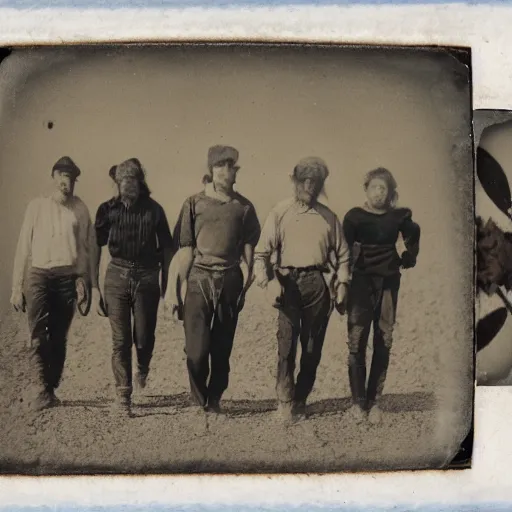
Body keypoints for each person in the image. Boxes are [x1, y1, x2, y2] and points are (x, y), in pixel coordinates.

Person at [254, 156, 350, 423]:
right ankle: (284, 400)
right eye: (304, 180)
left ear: (320, 185)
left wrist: (342, 284)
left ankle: (301, 399)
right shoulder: (280, 212)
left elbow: (343, 255)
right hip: (287, 283)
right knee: (286, 345)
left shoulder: (329, 217)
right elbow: (261, 254)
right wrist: (268, 281)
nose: (309, 186)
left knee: (312, 348)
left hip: (317, 284)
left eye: (314, 182)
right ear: (295, 182)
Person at [171, 145, 261, 414]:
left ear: (236, 172)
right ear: (210, 171)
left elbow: (249, 251)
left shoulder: (244, 207)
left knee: (222, 349)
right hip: (199, 278)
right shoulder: (192, 203)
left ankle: (215, 399)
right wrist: (174, 291)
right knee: (196, 352)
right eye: (219, 166)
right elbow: (184, 250)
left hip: (230, 280)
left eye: (230, 166)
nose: (225, 171)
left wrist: (245, 285)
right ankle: (198, 398)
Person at [10, 156, 96, 412]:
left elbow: (87, 249)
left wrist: (85, 282)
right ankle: (40, 388)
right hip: (38, 275)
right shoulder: (36, 206)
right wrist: (16, 287)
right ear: (53, 177)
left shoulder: (80, 208)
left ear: (74, 181)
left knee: (59, 336)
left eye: (70, 177)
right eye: (60, 175)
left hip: (66, 277)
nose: (65, 181)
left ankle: (50, 387)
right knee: (38, 334)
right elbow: (23, 246)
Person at [93, 158, 174, 416]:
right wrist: (94, 286)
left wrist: (167, 284)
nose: (129, 185)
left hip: (148, 278)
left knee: (143, 338)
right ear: (117, 183)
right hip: (116, 276)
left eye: (133, 180)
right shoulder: (106, 210)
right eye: (123, 181)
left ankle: (143, 369)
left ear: (141, 182)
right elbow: (96, 245)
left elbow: (168, 249)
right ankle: (123, 397)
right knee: (120, 340)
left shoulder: (155, 211)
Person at [342, 167, 420, 425]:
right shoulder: (354, 217)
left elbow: (413, 232)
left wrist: (410, 255)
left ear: (390, 193)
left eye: (383, 188)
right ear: (365, 190)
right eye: (374, 187)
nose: (378, 192)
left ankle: (375, 402)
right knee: (356, 342)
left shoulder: (398, 216)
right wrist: (341, 282)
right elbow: (343, 250)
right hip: (360, 285)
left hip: (388, 283)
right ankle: (357, 403)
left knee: (383, 340)